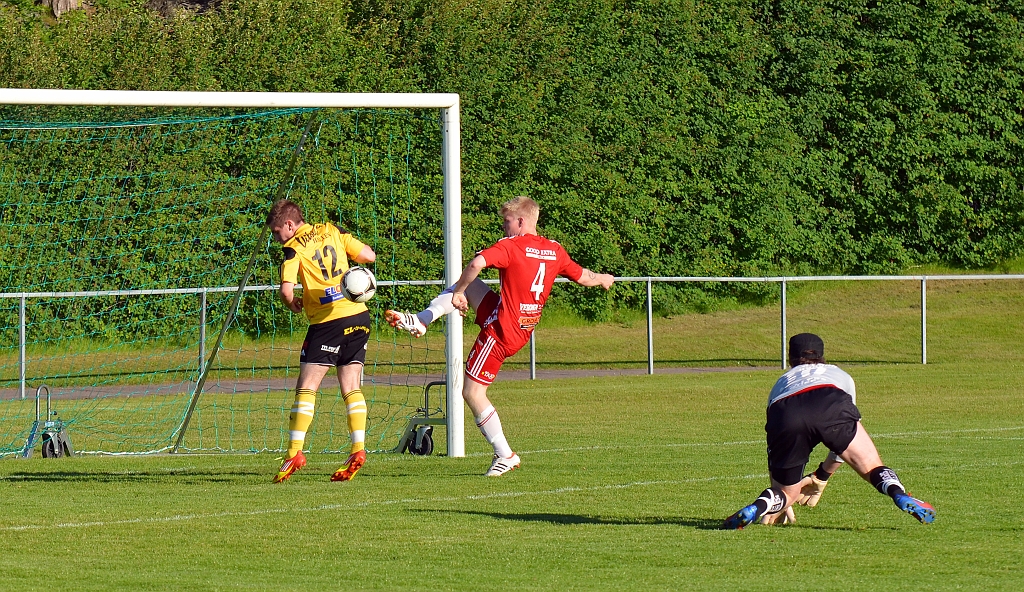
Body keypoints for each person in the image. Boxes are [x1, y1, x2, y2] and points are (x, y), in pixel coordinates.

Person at [385, 196, 614, 476]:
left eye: (507, 222)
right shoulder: (554, 250)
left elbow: (477, 263)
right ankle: (421, 320)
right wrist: (603, 277)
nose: (504, 227)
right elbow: (583, 277)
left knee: (472, 392)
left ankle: (505, 454)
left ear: (521, 221)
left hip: (501, 330)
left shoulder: (511, 246)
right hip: (520, 325)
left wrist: (457, 292)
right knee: (470, 286)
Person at [723, 333, 936, 528]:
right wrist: (822, 475)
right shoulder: (839, 374)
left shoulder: (781, 382)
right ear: (822, 356)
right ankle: (899, 494)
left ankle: (759, 506)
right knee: (871, 466)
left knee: (785, 492)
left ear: (791, 358)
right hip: (830, 400)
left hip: (785, 410)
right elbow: (841, 445)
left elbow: (774, 443)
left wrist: (783, 496)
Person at [266, 199, 376, 484]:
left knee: (306, 387)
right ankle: (358, 449)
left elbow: (287, 290)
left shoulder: (293, 249)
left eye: (277, 232)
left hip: (327, 322)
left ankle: (294, 452)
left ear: (290, 225)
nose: (277, 238)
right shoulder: (333, 230)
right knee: (351, 386)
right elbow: (368, 255)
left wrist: (292, 303)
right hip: (359, 316)